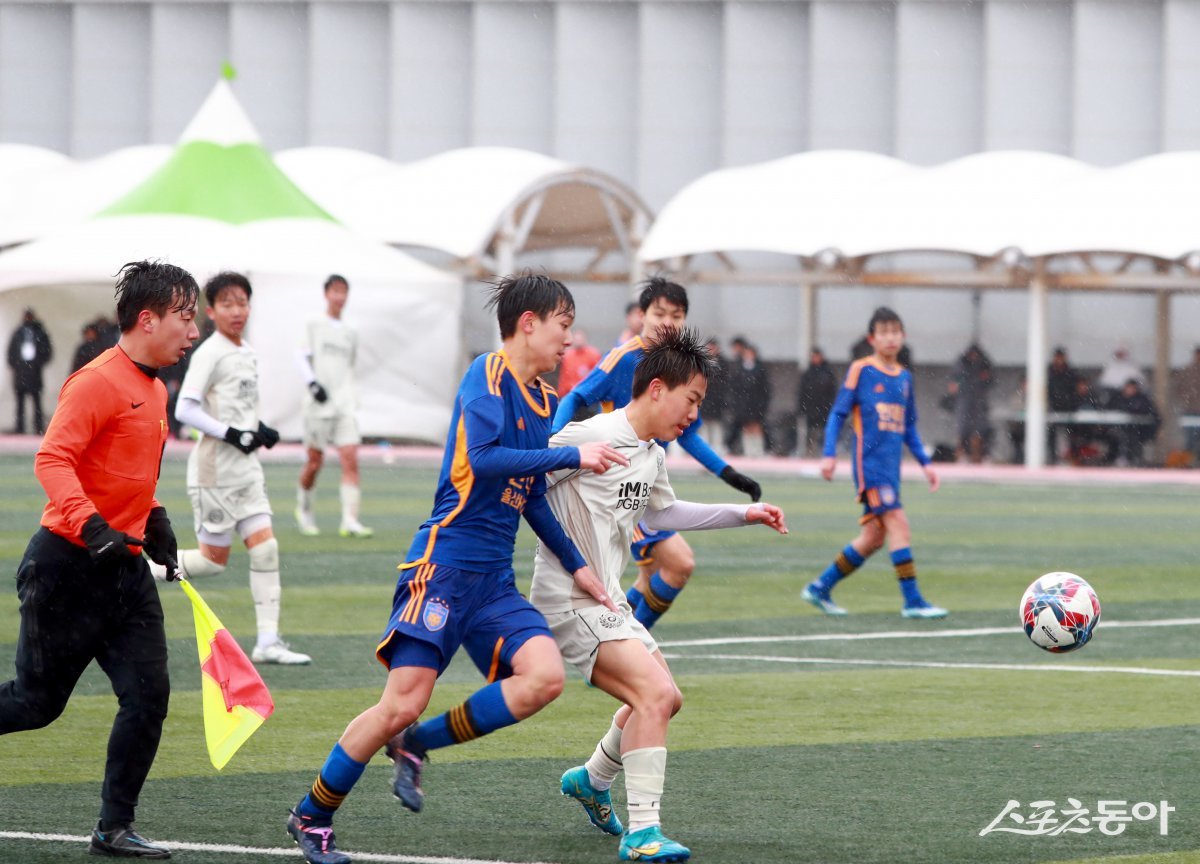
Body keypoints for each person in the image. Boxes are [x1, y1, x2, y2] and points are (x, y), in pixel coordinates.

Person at [285, 273, 627, 864]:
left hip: (494, 582)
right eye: (563, 325)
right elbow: (485, 458)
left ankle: (416, 744)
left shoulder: (545, 401)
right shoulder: (486, 373)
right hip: (443, 568)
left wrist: (579, 567)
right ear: (528, 323)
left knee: (544, 678)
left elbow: (531, 496)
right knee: (400, 702)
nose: (569, 339)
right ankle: (312, 814)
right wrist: (573, 453)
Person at [533, 328, 788, 863]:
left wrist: (744, 512)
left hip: (609, 603)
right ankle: (643, 833)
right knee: (651, 694)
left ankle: (592, 779)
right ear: (655, 389)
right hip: (568, 601)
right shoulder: (589, 435)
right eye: (690, 400)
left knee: (667, 697)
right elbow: (521, 480)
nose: (693, 414)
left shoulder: (651, 454)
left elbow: (664, 513)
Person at [0, 260, 199, 859]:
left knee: (149, 695)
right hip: (65, 567)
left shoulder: (155, 388)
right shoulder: (95, 381)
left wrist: (154, 518)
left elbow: (126, 473)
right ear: (148, 319)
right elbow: (52, 459)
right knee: (35, 705)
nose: (193, 331)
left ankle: (114, 827)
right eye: (186, 317)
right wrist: (91, 525)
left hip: (124, 573)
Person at [553, 277, 763, 631]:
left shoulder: (681, 367)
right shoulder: (624, 358)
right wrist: (554, 442)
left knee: (649, 578)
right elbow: (576, 396)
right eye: (659, 313)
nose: (667, 322)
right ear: (642, 315)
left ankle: (616, 639)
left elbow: (689, 436)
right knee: (679, 564)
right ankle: (627, 641)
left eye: (676, 316)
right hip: (618, 485)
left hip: (648, 483)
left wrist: (730, 474)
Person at [146, 272, 311, 665]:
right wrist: (232, 434)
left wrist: (258, 430)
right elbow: (185, 408)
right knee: (211, 562)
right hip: (215, 472)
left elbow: (238, 411)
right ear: (212, 310)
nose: (236, 311)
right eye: (227, 304)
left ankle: (267, 642)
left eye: (242, 303)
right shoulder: (210, 352)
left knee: (266, 549)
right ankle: (139, 568)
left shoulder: (246, 351)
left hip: (246, 471)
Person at [801, 306, 946, 619]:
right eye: (884, 332)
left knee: (873, 538)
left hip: (891, 471)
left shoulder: (905, 378)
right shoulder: (861, 370)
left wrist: (926, 463)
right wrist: (829, 454)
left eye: (895, 332)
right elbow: (838, 413)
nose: (890, 338)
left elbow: (909, 427)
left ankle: (820, 587)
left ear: (903, 336)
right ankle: (913, 601)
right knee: (899, 524)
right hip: (870, 467)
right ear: (872, 338)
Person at [295, 274, 372, 538]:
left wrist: (349, 395)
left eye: (343, 291)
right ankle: (304, 509)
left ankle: (350, 520)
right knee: (314, 463)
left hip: (344, 404)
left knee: (350, 458)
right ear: (326, 294)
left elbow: (350, 365)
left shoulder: (351, 330)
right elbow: (300, 356)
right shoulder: (313, 323)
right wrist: (313, 384)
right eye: (335, 291)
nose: (339, 296)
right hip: (318, 405)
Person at [7, 307, 53, 434]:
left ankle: (38, 427)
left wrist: (36, 364)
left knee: (36, 402)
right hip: (21, 373)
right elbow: (11, 352)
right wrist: (17, 365)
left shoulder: (40, 333)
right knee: (20, 403)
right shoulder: (18, 333)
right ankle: (20, 428)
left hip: (34, 373)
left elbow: (47, 352)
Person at [948, 343, 994, 463]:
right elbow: (954, 384)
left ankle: (978, 456)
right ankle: (962, 455)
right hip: (964, 401)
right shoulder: (961, 365)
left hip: (978, 401)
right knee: (963, 430)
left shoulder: (983, 365)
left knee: (978, 431)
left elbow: (990, 380)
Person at [727, 339, 772, 457]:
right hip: (743, 405)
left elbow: (765, 389)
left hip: (756, 404)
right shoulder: (739, 369)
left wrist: (762, 404)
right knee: (745, 427)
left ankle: (758, 450)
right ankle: (748, 450)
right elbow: (735, 388)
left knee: (756, 427)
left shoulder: (760, 369)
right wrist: (736, 404)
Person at [1107, 378, 1161, 466]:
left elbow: (1153, 414)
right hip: (1118, 428)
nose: (1130, 390)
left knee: (1132, 436)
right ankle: (1121, 457)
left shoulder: (1142, 399)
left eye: (1132, 388)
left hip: (1139, 430)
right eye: (1128, 387)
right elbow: (1109, 411)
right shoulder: (1117, 398)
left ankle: (1133, 458)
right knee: (1120, 436)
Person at [797, 347, 837, 458]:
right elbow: (802, 392)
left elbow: (832, 391)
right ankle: (810, 451)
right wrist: (802, 407)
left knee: (824, 430)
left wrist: (830, 405)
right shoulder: (808, 373)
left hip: (824, 408)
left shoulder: (828, 373)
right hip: (811, 408)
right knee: (810, 431)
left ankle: (824, 452)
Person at [1047, 347, 1080, 464]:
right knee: (1051, 432)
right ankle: (1052, 458)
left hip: (1069, 408)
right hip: (1053, 408)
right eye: (1057, 357)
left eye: (1061, 357)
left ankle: (1074, 457)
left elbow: (1074, 391)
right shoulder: (1049, 372)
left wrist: (1071, 405)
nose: (1059, 360)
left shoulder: (1071, 373)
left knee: (1074, 433)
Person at [557, 327, 602, 396]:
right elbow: (564, 377)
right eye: (576, 339)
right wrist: (561, 393)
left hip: (587, 394)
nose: (578, 341)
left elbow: (597, 376)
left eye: (580, 339)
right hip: (570, 393)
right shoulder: (567, 356)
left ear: (585, 339)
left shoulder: (594, 355)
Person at [1174, 346, 1200, 459]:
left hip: (1191, 408)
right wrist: (1186, 399)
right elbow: (1178, 388)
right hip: (1190, 409)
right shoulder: (1187, 371)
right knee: (1190, 439)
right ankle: (1188, 461)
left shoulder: (1187, 371)